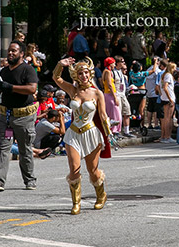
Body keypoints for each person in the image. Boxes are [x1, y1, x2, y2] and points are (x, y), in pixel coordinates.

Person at [52, 56, 111, 215]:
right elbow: (56, 78)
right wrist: (60, 64)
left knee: (93, 171)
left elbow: (103, 115)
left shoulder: (97, 93)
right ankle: (76, 203)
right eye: (80, 73)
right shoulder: (72, 90)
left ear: (90, 73)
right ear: (76, 75)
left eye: (85, 73)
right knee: (74, 169)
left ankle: (101, 195)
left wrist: (109, 131)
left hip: (91, 133)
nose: (83, 76)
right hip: (73, 134)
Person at [0, 40, 39, 192]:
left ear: (21, 54)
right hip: (6, 115)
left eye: (14, 51)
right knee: (3, 148)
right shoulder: (4, 71)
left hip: (23, 116)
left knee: (25, 149)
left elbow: (32, 88)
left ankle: (30, 180)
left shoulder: (28, 70)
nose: (10, 53)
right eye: (9, 51)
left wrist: (11, 87)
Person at [113, 56, 135, 138]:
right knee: (118, 114)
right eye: (122, 61)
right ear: (118, 63)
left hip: (123, 94)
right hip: (117, 94)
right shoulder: (113, 72)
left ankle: (126, 131)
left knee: (127, 112)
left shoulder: (121, 72)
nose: (123, 63)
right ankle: (117, 131)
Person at [102, 57, 122, 138]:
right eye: (113, 63)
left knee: (113, 113)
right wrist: (115, 97)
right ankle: (114, 130)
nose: (114, 64)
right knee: (116, 114)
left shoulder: (107, 71)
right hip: (110, 95)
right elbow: (109, 84)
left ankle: (114, 130)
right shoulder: (107, 72)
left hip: (108, 94)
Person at [159, 62, 177, 143]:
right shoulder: (168, 75)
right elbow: (165, 87)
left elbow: (159, 87)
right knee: (168, 119)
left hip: (164, 98)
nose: (175, 70)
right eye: (174, 68)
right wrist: (170, 99)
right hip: (169, 98)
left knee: (166, 118)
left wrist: (161, 94)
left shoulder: (163, 75)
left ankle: (165, 136)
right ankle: (167, 136)